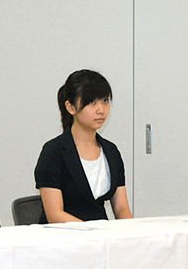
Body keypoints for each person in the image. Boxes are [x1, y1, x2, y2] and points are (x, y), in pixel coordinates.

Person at [35, 70, 132, 223]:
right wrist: (93, 236)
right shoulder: (53, 152)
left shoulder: (111, 151)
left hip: (102, 240)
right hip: (62, 238)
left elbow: (122, 208)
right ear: (70, 107)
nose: (101, 109)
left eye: (105, 101)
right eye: (92, 103)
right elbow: (55, 214)